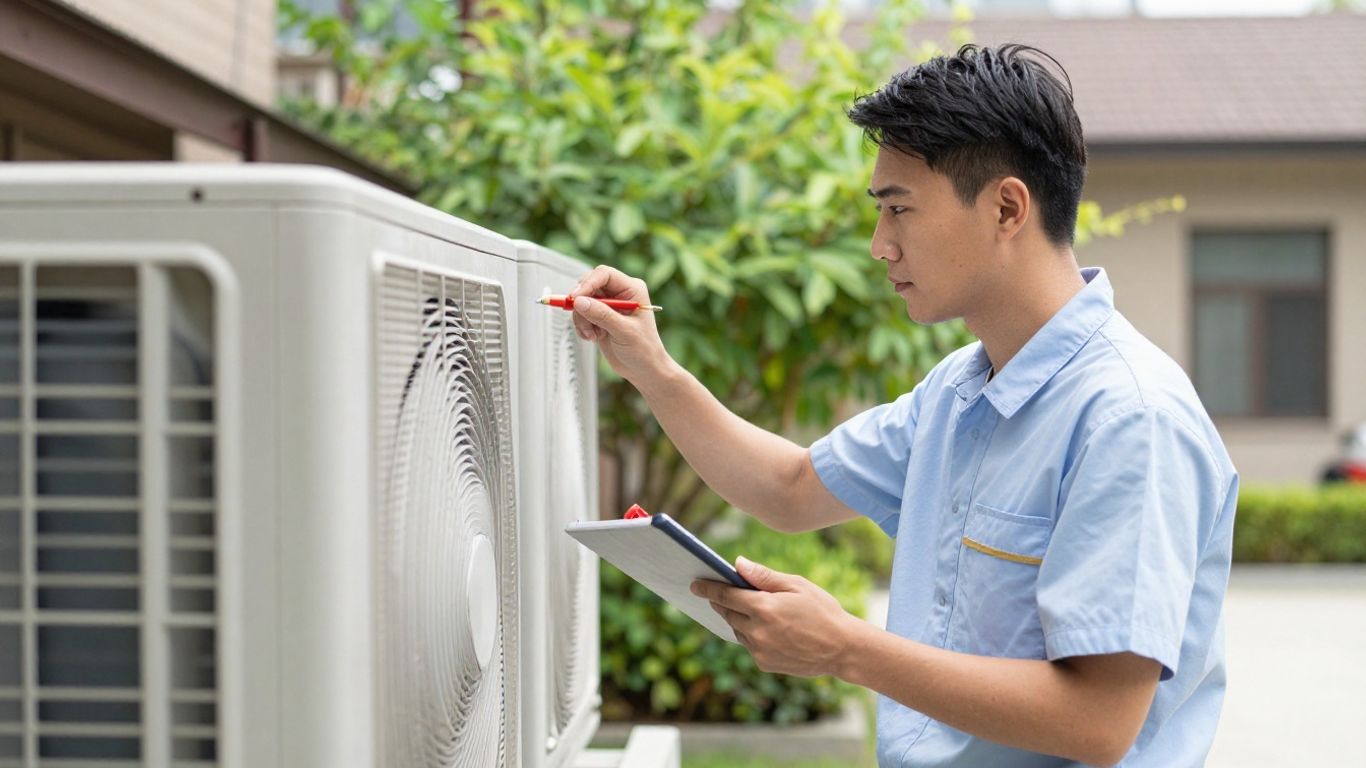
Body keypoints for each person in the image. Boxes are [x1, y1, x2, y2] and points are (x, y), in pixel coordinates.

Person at [568, 43, 1237, 768]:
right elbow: (791, 489)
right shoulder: (958, 390)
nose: (880, 245)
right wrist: (652, 365)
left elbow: (1099, 722)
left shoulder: (1129, 418)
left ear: (1007, 207)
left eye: (899, 210)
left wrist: (845, 648)